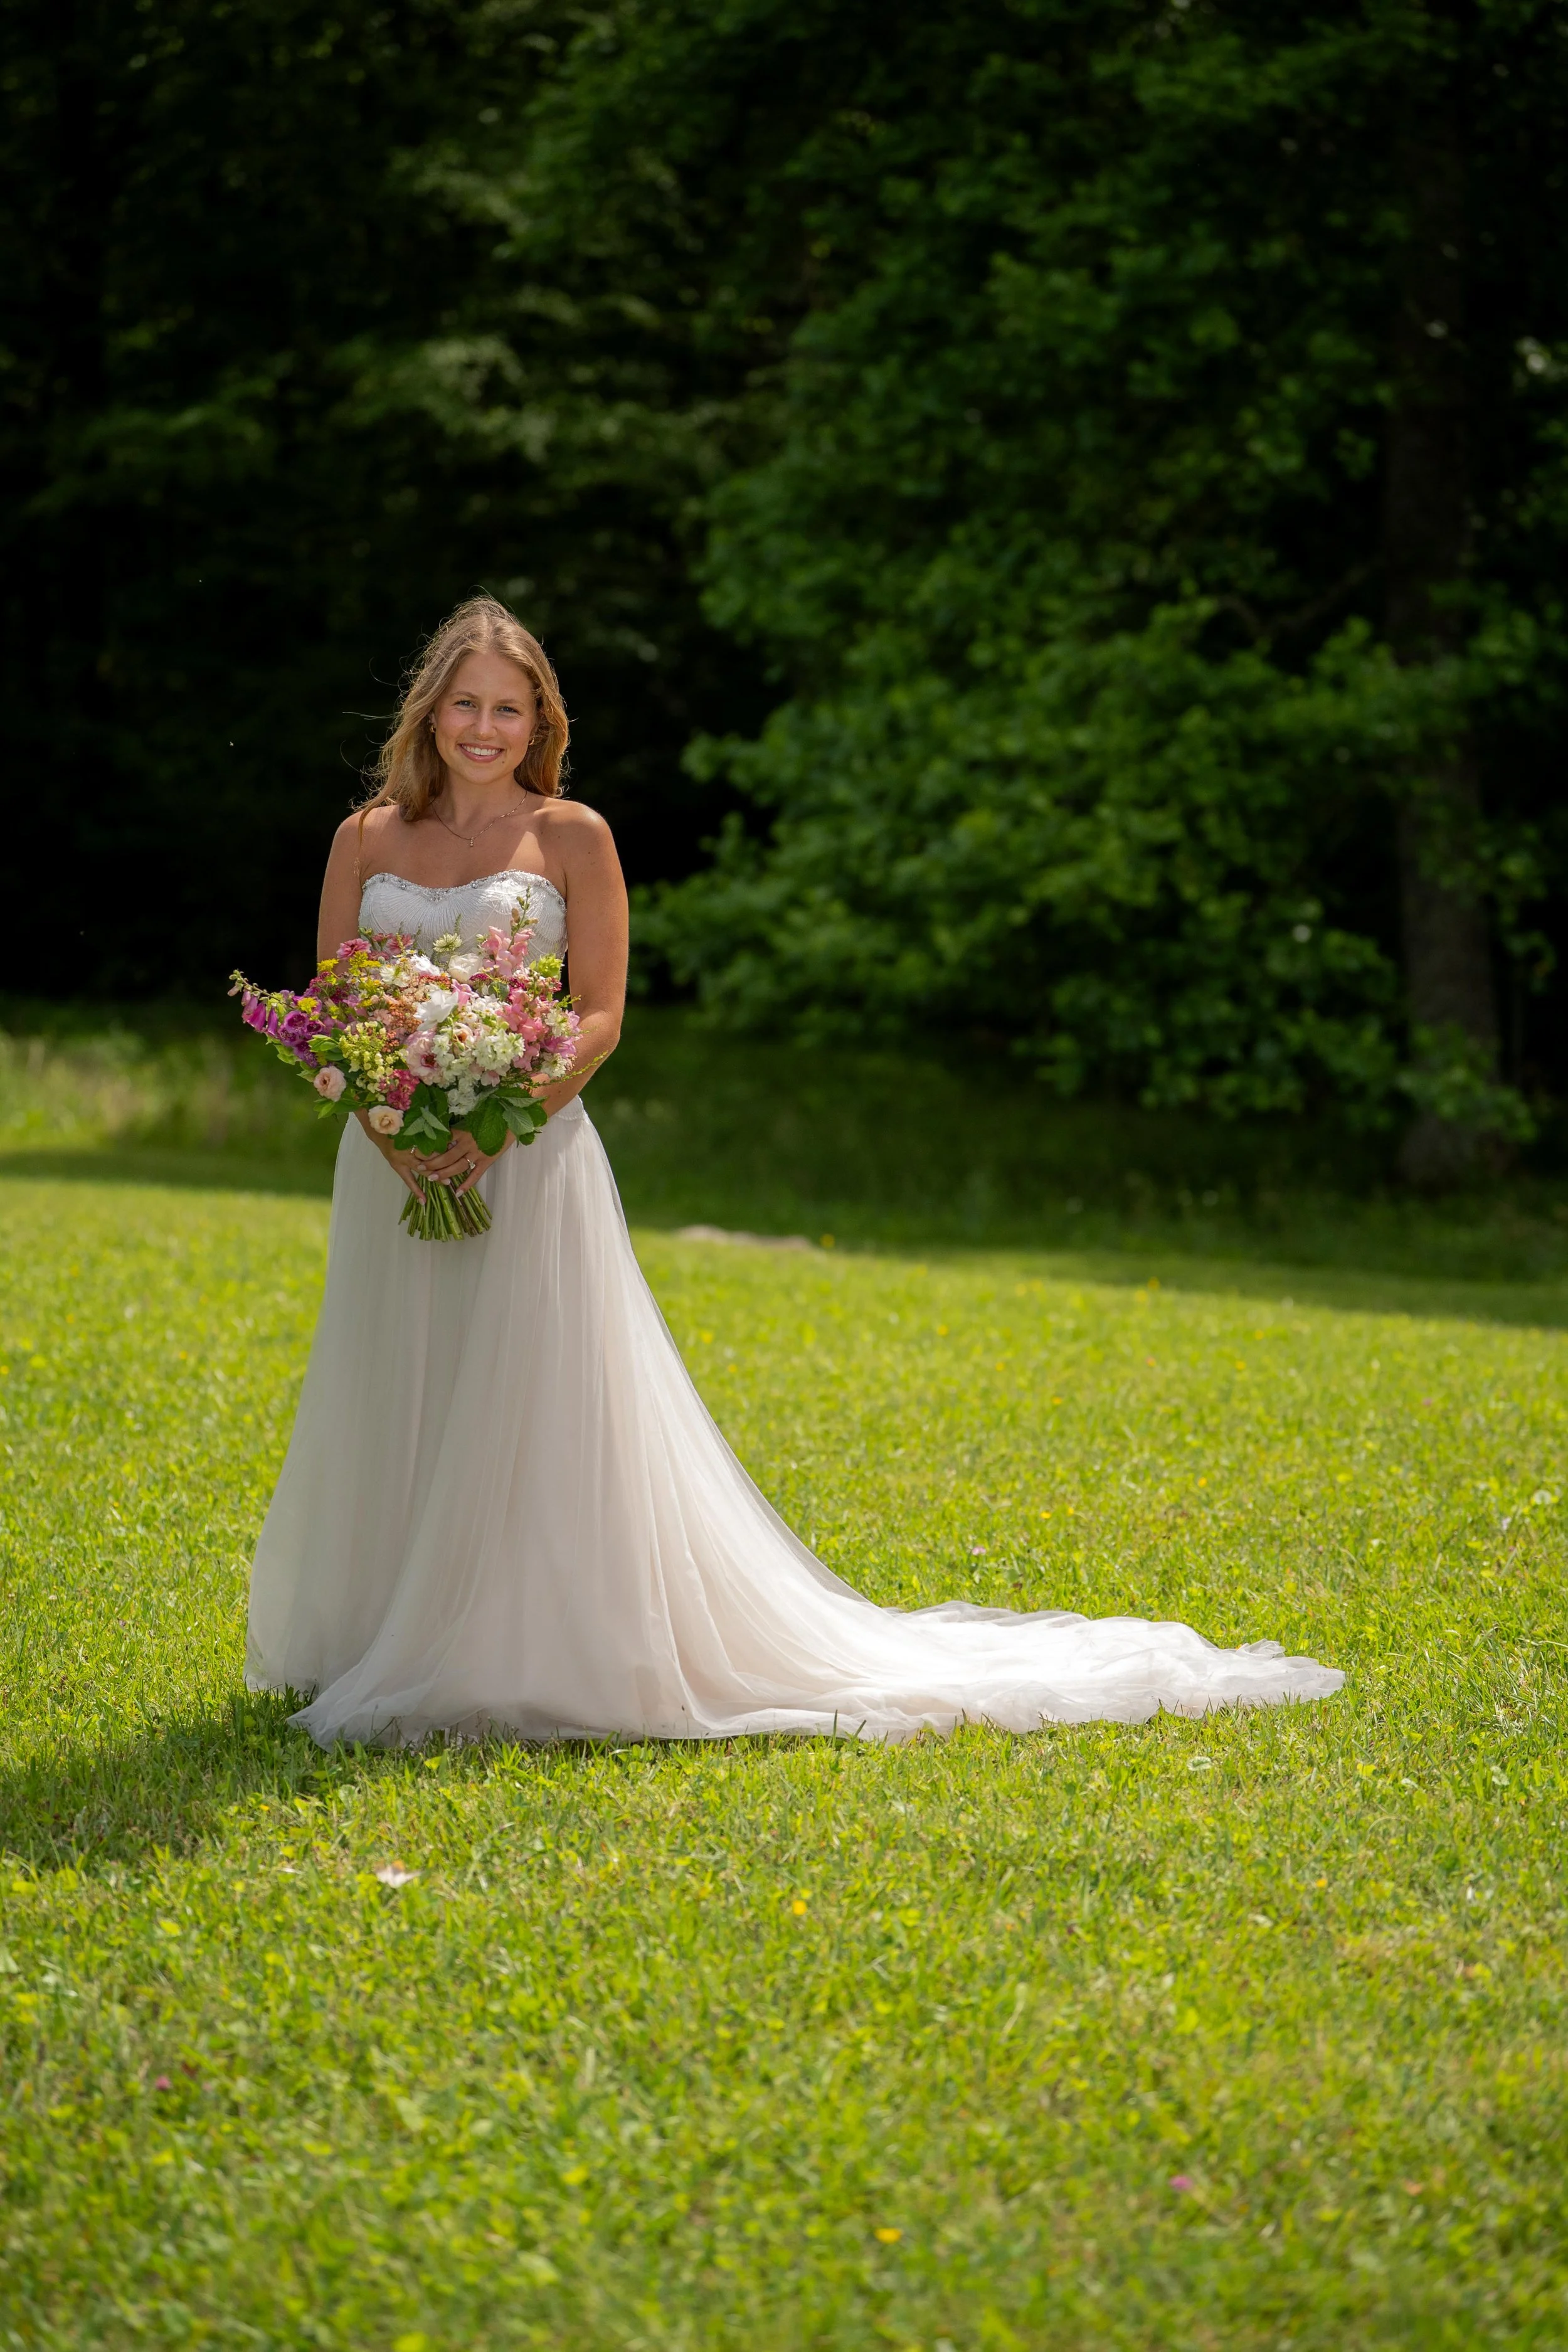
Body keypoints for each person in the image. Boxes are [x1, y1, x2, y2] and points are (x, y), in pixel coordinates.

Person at [246, 596, 1344, 1744]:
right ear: (431, 711)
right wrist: (399, 1132)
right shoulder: (365, 837)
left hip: (525, 1155)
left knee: (522, 1395)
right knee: (397, 1377)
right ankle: (380, 1627)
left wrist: (495, 1125)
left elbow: (603, 1016)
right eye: (464, 703)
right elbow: (339, 1006)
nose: (482, 727)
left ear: (539, 723)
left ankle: (516, 1637)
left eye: (506, 709)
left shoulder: (574, 836)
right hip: (393, 1161)